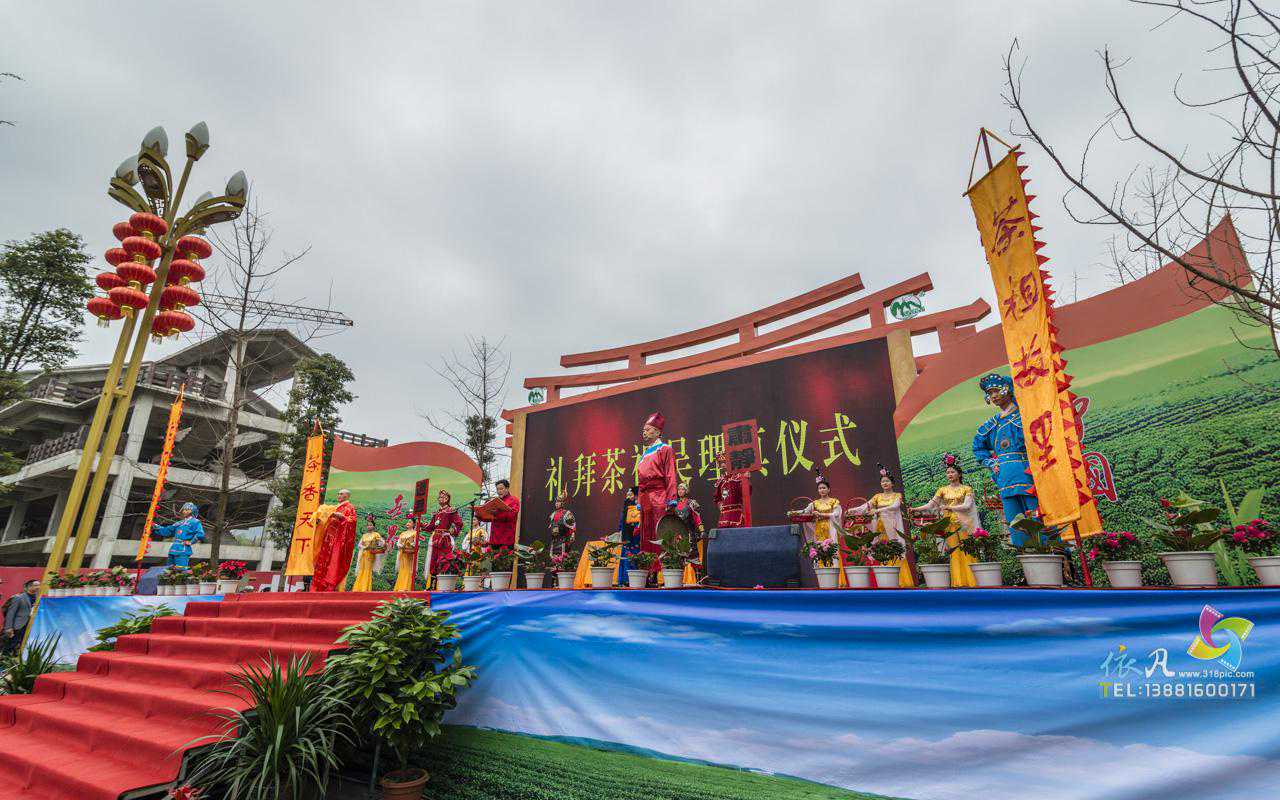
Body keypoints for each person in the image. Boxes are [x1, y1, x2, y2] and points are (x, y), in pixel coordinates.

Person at [972, 373, 1038, 545]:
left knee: (1036, 514)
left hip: (1027, 472)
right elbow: (978, 447)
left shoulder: (1024, 416)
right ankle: (1025, 556)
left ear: (1007, 390)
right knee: (1014, 520)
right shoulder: (992, 423)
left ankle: (1050, 553)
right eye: (990, 393)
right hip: (1004, 477)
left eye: (995, 391)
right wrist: (991, 462)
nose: (993, 396)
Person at [912, 454, 978, 587]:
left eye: (952, 472)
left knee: (967, 549)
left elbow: (967, 506)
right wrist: (915, 509)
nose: (949, 474)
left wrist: (949, 507)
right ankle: (958, 581)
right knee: (954, 551)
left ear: (959, 473)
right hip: (950, 524)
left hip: (964, 523)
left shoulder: (966, 489)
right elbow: (931, 505)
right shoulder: (942, 490)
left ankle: (972, 581)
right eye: (947, 472)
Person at [847, 463, 914, 587]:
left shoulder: (897, 495)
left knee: (895, 549)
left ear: (892, 483)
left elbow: (895, 507)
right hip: (881, 527)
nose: (885, 483)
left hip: (893, 527)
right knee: (883, 549)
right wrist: (854, 510)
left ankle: (902, 581)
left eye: (887, 481)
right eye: (883, 481)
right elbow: (866, 506)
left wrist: (879, 510)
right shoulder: (877, 497)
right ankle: (886, 582)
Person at [636, 412, 678, 574]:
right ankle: (649, 570)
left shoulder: (665, 449)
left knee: (660, 532)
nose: (644, 432)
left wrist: (671, 499)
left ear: (658, 432)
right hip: (646, 497)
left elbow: (670, 474)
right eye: (643, 430)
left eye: (648, 429)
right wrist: (639, 501)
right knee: (646, 533)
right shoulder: (645, 454)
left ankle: (665, 571)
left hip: (660, 495)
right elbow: (640, 482)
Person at [312, 489, 358, 591]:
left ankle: (330, 585)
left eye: (341, 494)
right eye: (338, 493)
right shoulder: (335, 507)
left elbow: (352, 521)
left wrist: (342, 517)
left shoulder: (349, 507)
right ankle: (320, 584)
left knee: (334, 561)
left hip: (338, 540)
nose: (339, 495)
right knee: (324, 561)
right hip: (328, 539)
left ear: (347, 496)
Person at [152, 502, 205, 568]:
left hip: (184, 547)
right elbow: (168, 531)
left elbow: (200, 533)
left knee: (180, 569)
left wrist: (191, 542)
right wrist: (157, 527)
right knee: (168, 569)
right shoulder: (179, 523)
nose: (184, 511)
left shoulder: (195, 522)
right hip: (174, 547)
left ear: (192, 511)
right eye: (184, 509)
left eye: (187, 510)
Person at [424, 490, 463, 579]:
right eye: (439, 497)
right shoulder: (437, 513)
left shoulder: (450, 510)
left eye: (441, 497)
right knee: (433, 561)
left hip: (444, 540)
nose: (439, 499)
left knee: (443, 561)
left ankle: (442, 585)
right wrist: (420, 524)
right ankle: (432, 585)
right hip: (435, 539)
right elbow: (431, 526)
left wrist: (451, 532)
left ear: (447, 498)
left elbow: (459, 523)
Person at [713, 452, 751, 528]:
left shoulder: (738, 477)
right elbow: (717, 498)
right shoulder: (721, 480)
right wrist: (720, 505)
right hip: (724, 517)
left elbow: (746, 493)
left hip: (736, 514)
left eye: (724, 462)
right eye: (721, 463)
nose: (722, 465)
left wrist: (746, 480)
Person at [2, 580, 39, 657]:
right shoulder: (19, 597)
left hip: (32, 626)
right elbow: (11, 613)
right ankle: (5, 663)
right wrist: (8, 627)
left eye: (39, 585)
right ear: (29, 586)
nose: (38, 587)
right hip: (18, 626)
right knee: (10, 646)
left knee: (24, 646)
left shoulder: (39, 598)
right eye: (35, 585)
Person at [351, 520, 386, 592]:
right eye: (368, 525)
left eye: (371, 525)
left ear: (374, 526)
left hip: (370, 554)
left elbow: (382, 543)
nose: (369, 526)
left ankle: (365, 587)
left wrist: (378, 542)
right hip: (363, 554)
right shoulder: (364, 535)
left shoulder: (376, 534)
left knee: (367, 570)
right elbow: (359, 545)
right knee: (362, 569)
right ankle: (358, 587)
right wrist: (364, 547)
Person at [489, 479, 520, 548]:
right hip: (494, 538)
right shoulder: (495, 501)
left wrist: (497, 513)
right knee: (493, 557)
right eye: (497, 489)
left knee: (505, 558)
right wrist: (480, 513)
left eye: (501, 489)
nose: (499, 491)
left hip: (506, 539)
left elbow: (511, 515)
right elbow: (489, 517)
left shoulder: (514, 500)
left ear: (507, 488)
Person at [393, 519, 421, 591]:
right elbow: (398, 542)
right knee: (402, 570)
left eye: (410, 522)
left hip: (410, 555)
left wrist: (410, 545)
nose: (408, 523)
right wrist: (401, 545)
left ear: (414, 524)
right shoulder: (402, 533)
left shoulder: (415, 533)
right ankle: (399, 587)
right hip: (403, 554)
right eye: (408, 522)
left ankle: (406, 588)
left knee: (409, 570)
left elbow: (417, 543)